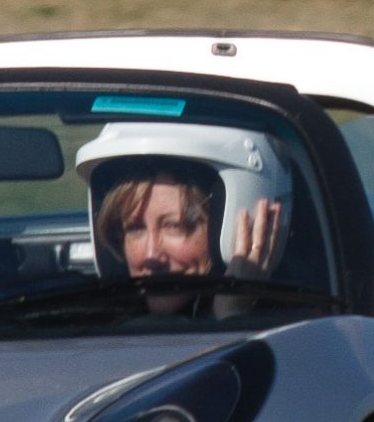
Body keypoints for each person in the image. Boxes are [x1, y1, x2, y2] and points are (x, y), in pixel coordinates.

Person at [75, 123, 291, 314]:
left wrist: (231, 314)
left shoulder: (303, 331)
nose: (150, 255)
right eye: (135, 229)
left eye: (175, 227)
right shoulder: (95, 331)